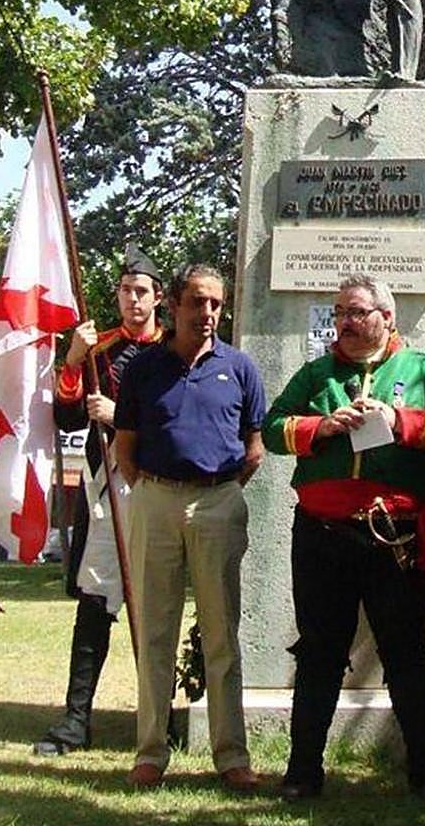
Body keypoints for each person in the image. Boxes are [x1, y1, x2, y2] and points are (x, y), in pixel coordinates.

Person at [262, 274, 425, 802]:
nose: (346, 322)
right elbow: (272, 429)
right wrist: (320, 427)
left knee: (405, 653)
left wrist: (400, 421)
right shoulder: (316, 375)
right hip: (321, 538)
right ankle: (303, 773)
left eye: (357, 312)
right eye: (339, 313)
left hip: (394, 539)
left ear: (387, 317)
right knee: (318, 653)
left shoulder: (424, 370)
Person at [114, 263, 266, 792]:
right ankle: (150, 753)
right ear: (174, 304)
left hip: (219, 502)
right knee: (155, 633)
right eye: (198, 302)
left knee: (222, 636)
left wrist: (221, 493)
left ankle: (232, 757)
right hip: (155, 501)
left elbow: (254, 446)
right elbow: (124, 446)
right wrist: (151, 491)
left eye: (216, 304)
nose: (208, 313)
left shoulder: (240, 367)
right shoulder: (142, 368)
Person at [32, 244, 167, 757]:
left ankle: (156, 719)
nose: (133, 300)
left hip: (157, 482)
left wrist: (120, 415)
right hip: (107, 486)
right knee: (95, 602)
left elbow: (183, 419)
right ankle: (75, 719)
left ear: (157, 298)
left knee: (157, 606)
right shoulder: (98, 349)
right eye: (125, 290)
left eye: (141, 291)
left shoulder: (175, 350)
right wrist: (72, 360)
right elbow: (67, 417)